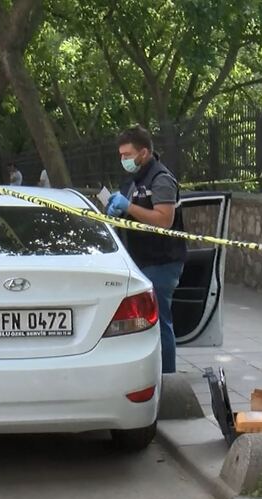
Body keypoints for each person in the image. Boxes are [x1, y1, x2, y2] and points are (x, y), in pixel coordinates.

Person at [106, 125, 187, 374]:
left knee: (160, 323)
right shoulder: (136, 179)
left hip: (162, 261)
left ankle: (168, 378)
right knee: (143, 324)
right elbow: (134, 212)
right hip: (140, 260)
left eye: (127, 155)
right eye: (121, 155)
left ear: (143, 153)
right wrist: (117, 211)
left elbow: (164, 220)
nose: (123, 160)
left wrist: (128, 207)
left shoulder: (161, 179)